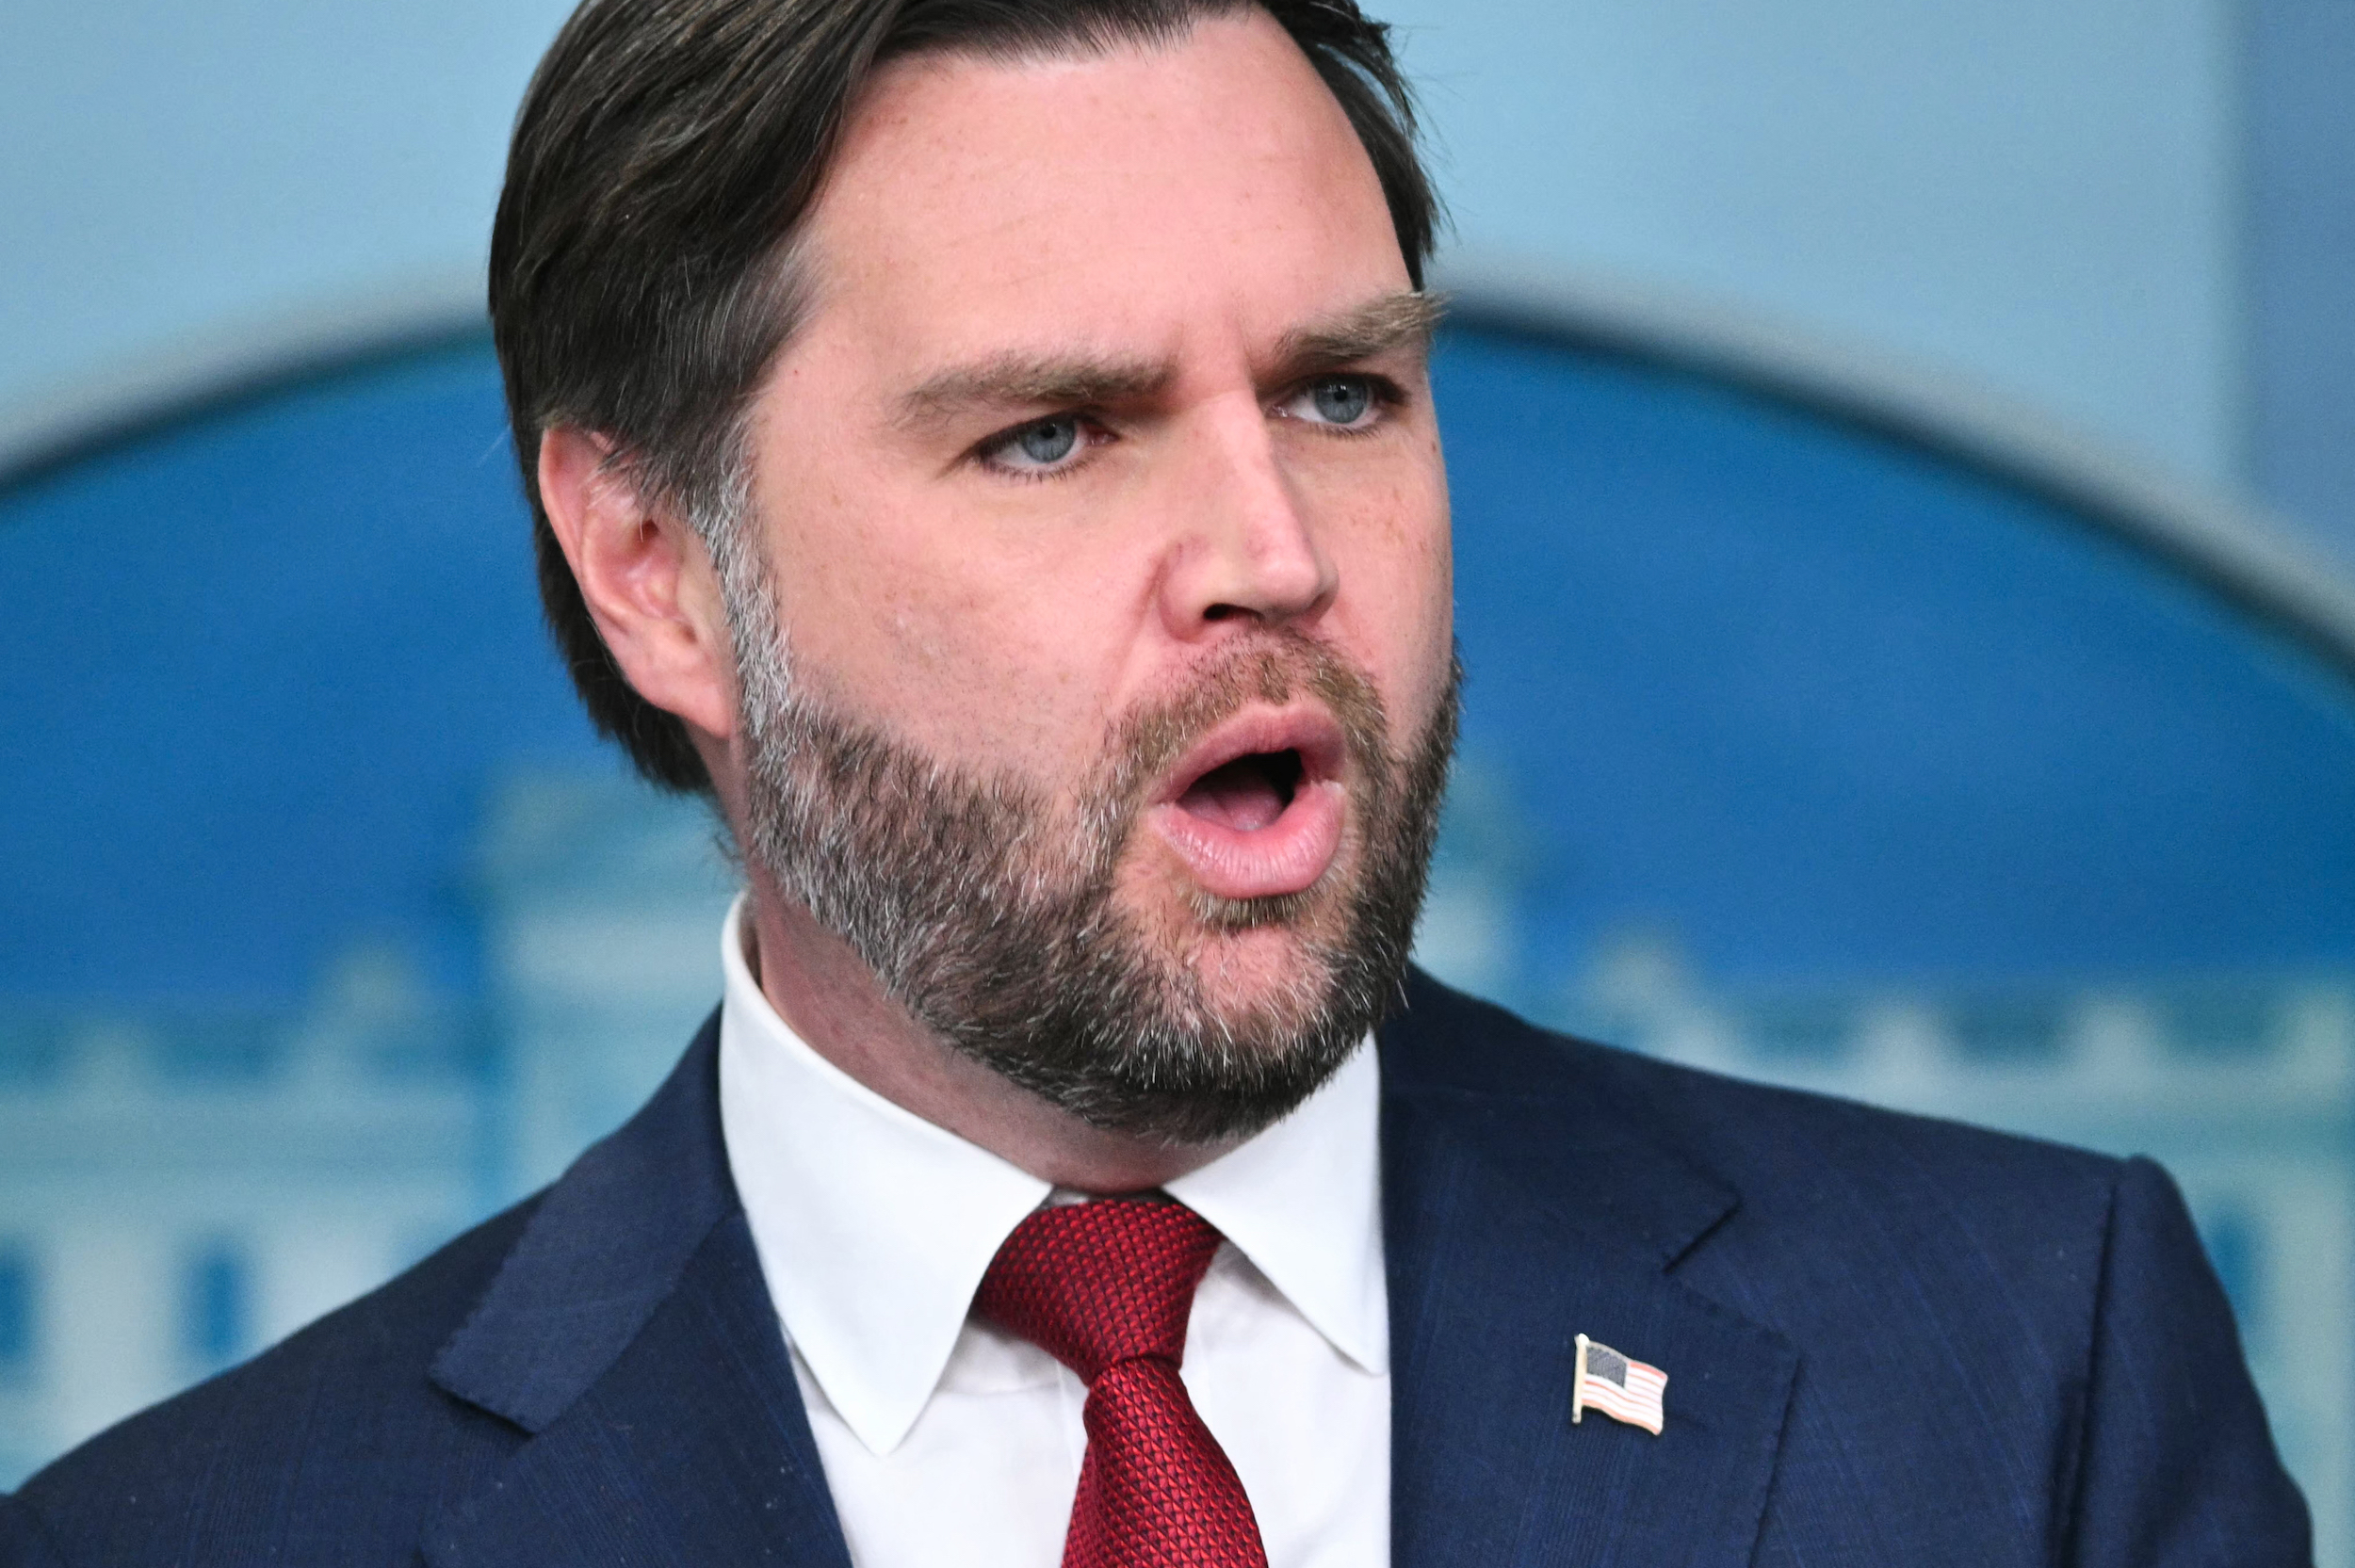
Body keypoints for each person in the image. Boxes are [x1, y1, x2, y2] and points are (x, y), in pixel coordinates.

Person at [2, 0, 2310, 1563]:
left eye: (1337, 393)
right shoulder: (198, 1532)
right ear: (652, 569)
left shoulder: (2024, 1379)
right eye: (1050, 432)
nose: (1274, 560)